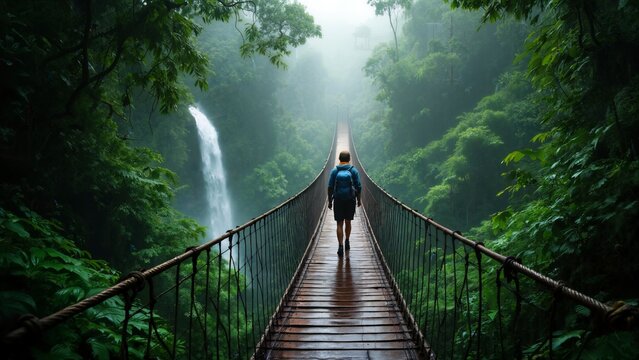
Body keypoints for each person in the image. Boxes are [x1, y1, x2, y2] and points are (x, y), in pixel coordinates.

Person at [328, 150, 362, 257]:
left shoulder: (334, 171)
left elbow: (330, 187)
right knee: (348, 222)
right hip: (350, 199)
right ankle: (347, 240)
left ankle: (340, 246)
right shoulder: (354, 171)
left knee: (339, 223)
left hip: (338, 199)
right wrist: (359, 199)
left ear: (339, 159)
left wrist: (329, 201)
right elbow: (359, 186)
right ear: (349, 159)